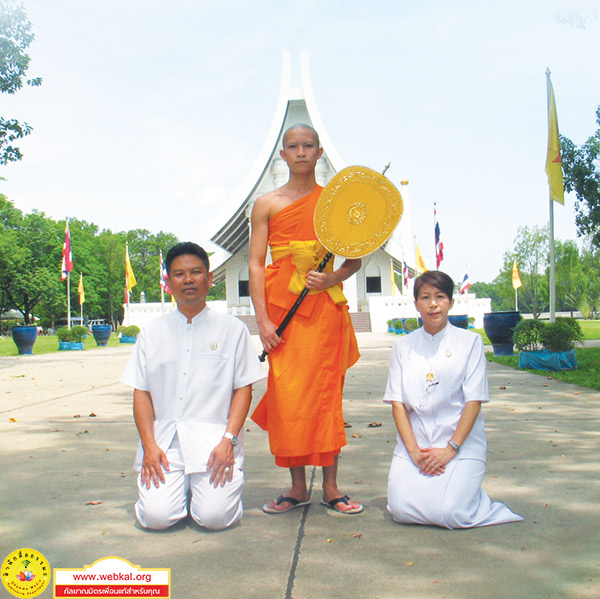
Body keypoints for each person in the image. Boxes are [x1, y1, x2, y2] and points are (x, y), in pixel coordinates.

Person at [248, 123, 363, 515]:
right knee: (289, 399)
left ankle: (331, 487)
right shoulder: (266, 203)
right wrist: (262, 321)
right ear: (282, 154)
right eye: (293, 146)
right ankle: (297, 488)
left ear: (319, 153)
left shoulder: (334, 201)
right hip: (284, 315)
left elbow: (356, 256)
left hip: (324, 310)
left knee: (326, 398)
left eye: (308, 146)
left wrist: (333, 277)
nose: (300, 152)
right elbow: (254, 264)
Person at [121, 242, 266, 530]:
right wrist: (149, 445)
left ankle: (204, 495)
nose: (188, 280)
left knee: (214, 518)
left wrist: (229, 441)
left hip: (214, 445)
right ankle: (176, 494)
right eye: (179, 274)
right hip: (164, 445)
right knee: (156, 518)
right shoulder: (152, 332)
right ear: (169, 282)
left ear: (209, 279)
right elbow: (142, 392)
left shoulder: (231, 329)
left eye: (196, 272)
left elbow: (243, 389)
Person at [384, 270, 523, 528]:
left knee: (450, 513)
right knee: (400, 509)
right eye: (425, 297)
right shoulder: (403, 347)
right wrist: (414, 452)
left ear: (450, 302)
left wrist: (450, 450)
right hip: (418, 444)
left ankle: (470, 496)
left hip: (461, 443)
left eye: (440, 296)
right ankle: (444, 488)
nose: (433, 304)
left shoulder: (470, 343)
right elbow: (397, 404)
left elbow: (474, 401)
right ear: (416, 304)